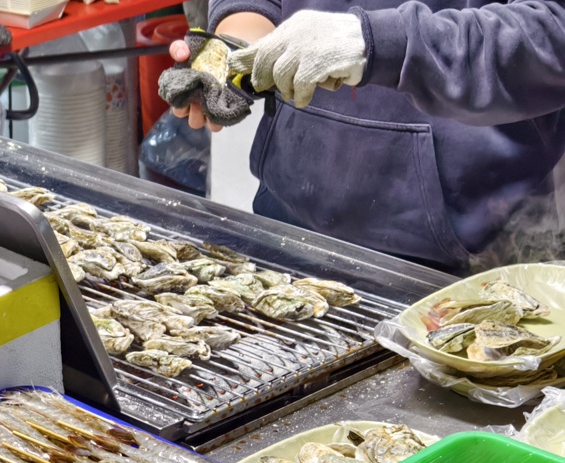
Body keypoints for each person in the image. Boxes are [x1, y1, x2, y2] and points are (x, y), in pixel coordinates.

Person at [167, 1, 565, 271]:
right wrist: (237, 44)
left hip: (467, 243)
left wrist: (374, 42)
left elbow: (552, 30)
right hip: (289, 214)